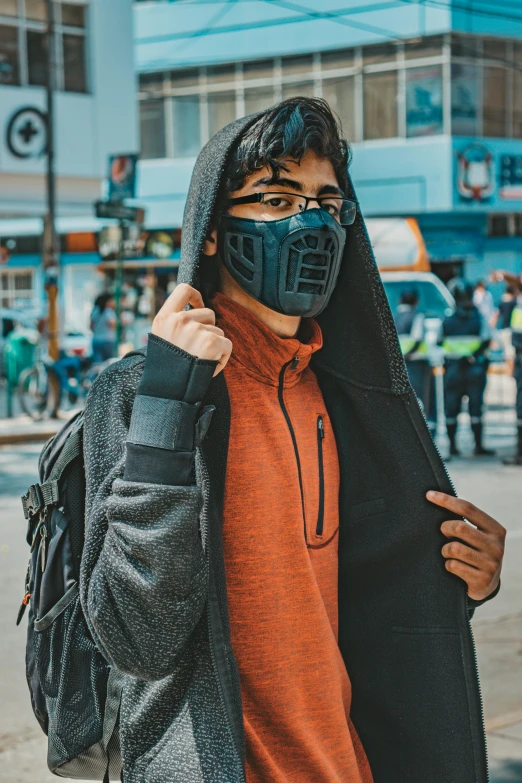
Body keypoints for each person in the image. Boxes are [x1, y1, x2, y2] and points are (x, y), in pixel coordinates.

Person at [81, 99, 505, 783]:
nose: (308, 222)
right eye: (276, 199)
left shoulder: (340, 393)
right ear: (213, 231)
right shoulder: (142, 391)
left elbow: (358, 601)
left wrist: (456, 578)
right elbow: (137, 638)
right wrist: (166, 405)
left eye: (325, 202)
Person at [441, 280, 494, 458]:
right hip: (474, 370)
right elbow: (487, 339)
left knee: (452, 410)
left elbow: (439, 342)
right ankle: (477, 447)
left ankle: (453, 448)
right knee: (475, 409)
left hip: (454, 372)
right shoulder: (479, 319)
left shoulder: (447, 320)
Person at [394, 289, 436, 436]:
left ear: (400, 300)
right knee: (421, 399)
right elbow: (417, 340)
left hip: (398, 365)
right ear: (416, 302)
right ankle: (423, 434)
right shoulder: (417, 317)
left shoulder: (393, 317)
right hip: (416, 364)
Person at [90, 293, 116, 362]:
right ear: (107, 301)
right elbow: (112, 324)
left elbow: (91, 327)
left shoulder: (95, 310)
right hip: (107, 340)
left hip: (96, 340)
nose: (113, 303)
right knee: (108, 363)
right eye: (112, 301)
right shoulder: (108, 311)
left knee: (98, 363)